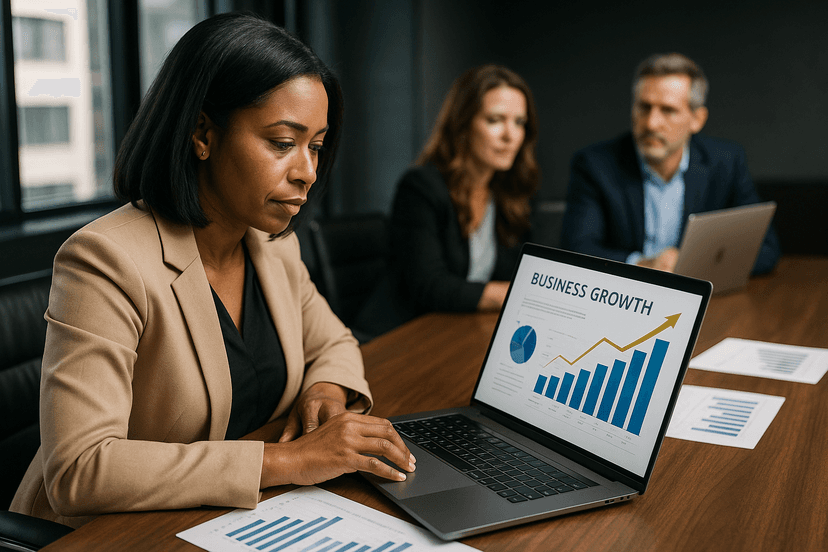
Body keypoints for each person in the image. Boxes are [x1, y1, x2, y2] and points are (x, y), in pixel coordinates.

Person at [10, 13, 414, 528]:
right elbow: (79, 469)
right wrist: (289, 461)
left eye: (315, 146)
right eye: (282, 143)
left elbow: (332, 342)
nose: (308, 172)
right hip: (108, 533)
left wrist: (325, 392)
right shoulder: (103, 260)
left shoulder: (271, 243)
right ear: (202, 133)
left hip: (225, 518)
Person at [356, 65, 540, 336]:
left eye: (519, 123)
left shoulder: (511, 194)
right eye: (495, 120)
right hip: (401, 334)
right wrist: (511, 294)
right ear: (462, 125)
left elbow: (522, 271)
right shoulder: (421, 187)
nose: (509, 136)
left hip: (462, 329)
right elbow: (430, 285)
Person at [560, 52, 779, 274]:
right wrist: (644, 265)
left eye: (668, 110)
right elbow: (576, 249)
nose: (651, 123)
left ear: (697, 119)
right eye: (644, 107)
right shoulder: (595, 165)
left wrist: (689, 265)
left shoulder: (726, 162)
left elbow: (766, 249)